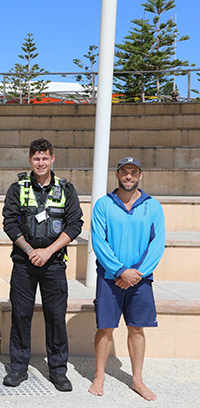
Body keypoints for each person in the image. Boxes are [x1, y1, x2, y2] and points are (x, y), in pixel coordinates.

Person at [1, 138, 83, 391]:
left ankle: (58, 370)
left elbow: (75, 224)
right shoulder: (17, 188)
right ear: (30, 160)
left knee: (56, 317)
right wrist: (30, 251)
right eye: (36, 158)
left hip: (54, 263)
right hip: (24, 263)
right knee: (21, 315)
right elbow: (9, 223)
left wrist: (47, 251)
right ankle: (18, 368)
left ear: (52, 159)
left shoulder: (66, 189)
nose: (40, 162)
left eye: (45, 157)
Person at [88, 157, 165, 401]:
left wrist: (135, 274)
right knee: (105, 327)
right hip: (111, 278)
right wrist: (120, 271)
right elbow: (99, 242)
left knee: (137, 327)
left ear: (140, 175)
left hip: (140, 279)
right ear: (117, 175)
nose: (128, 176)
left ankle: (137, 380)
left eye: (133, 172)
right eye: (124, 172)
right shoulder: (103, 205)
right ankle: (99, 375)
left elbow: (157, 245)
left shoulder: (153, 206)